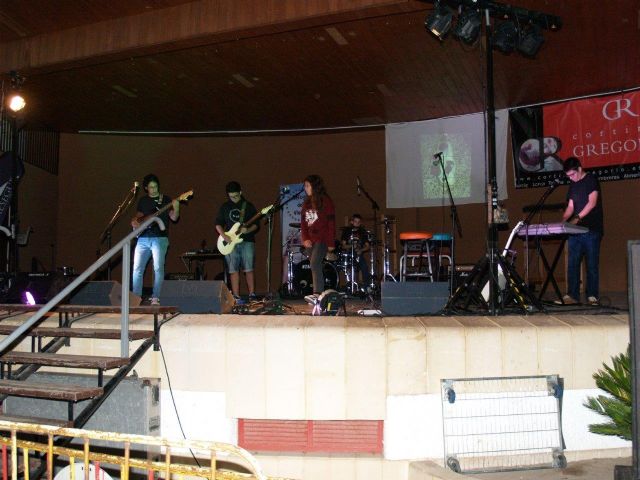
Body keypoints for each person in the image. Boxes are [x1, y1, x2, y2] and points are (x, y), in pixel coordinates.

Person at [559, 157, 603, 306]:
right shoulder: (573, 185)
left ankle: (592, 296)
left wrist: (577, 218)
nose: (571, 178)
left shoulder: (591, 180)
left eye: (572, 174)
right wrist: (563, 220)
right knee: (573, 263)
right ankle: (572, 295)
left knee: (591, 264)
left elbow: (592, 203)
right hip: (576, 231)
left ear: (579, 169)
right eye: (568, 176)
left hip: (592, 229)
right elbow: (570, 207)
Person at [131, 174, 180, 305]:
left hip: (160, 238)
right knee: (137, 268)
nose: (154, 189)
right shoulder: (143, 200)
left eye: (156, 187)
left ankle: (156, 297)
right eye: (151, 187)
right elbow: (139, 216)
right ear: (146, 188)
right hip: (142, 238)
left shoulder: (166, 199)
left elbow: (174, 218)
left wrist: (176, 207)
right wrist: (135, 221)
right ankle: (136, 298)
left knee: (158, 268)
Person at [215, 181, 259, 304]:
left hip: (247, 240)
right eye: (231, 196)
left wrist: (247, 230)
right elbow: (218, 224)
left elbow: (256, 224)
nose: (233, 198)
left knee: (249, 268)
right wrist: (224, 236)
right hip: (230, 242)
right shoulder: (225, 207)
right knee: (233, 269)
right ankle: (236, 296)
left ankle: (252, 294)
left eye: (236, 196)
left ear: (240, 192)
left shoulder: (248, 206)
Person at [300, 175, 336, 303]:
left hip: (322, 239)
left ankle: (317, 293)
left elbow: (331, 223)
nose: (305, 188)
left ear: (315, 186)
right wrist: (305, 238)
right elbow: (303, 223)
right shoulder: (306, 203)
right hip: (311, 240)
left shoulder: (325, 201)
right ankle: (317, 294)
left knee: (314, 263)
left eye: (307, 185)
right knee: (314, 265)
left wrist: (331, 242)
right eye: (305, 186)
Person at [340, 213, 372, 292]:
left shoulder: (362, 232)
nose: (357, 223)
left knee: (365, 267)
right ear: (351, 222)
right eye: (355, 221)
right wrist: (351, 246)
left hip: (358, 254)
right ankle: (350, 286)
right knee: (350, 269)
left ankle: (367, 287)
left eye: (358, 222)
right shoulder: (347, 231)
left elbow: (367, 246)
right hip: (348, 254)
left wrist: (361, 250)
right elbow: (343, 245)